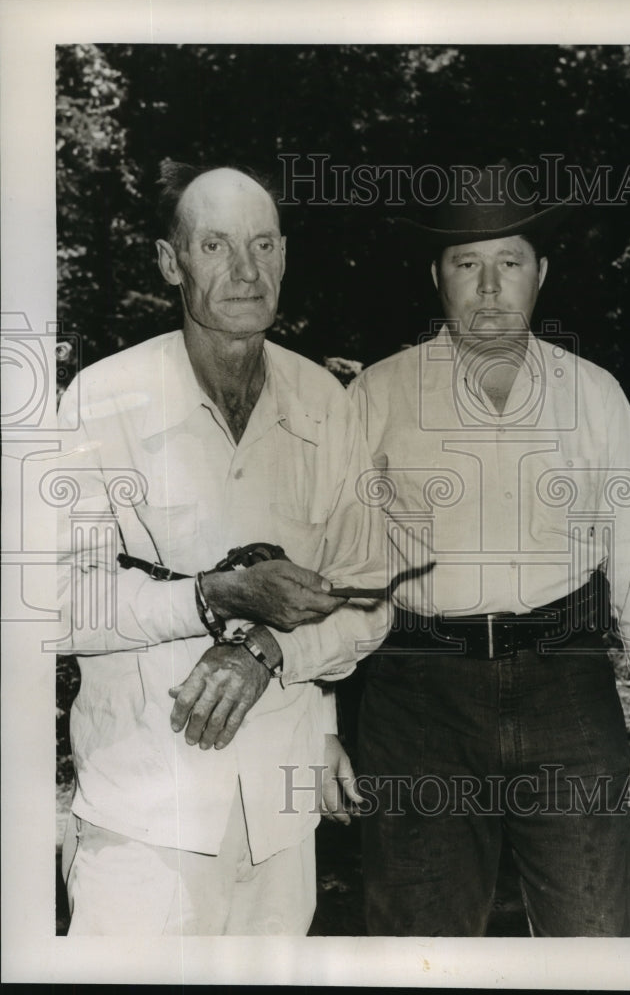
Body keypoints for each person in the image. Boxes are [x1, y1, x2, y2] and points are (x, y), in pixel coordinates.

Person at [348, 162, 630, 937]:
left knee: (592, 939)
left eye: (510, 263)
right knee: (417, 948)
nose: (491, 288)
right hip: (418, 697)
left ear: (543, 273)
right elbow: (340, 575)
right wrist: (320, 725)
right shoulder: (377, 395)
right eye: (468, 264)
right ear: (437, 276)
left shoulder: (592, 393)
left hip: (567, 686)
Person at [56, 161, 388, 935]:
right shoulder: (101, 400)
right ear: (171, 263)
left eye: (263, 246)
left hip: (281, 812)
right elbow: (59, 608)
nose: (245, 271)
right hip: (145, 813)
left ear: (284, 256)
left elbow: (370, 598)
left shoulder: (325, 404)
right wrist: (212, 595)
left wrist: (270, 649)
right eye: (215, 246)